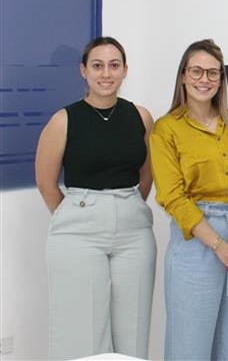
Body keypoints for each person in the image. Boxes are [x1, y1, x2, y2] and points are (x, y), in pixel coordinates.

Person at [35, 36, 156, 360]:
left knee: (133, 332)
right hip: (79, 233)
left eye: (114, 65)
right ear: (83, 70)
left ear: (125, 70)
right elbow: (46, 183)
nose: (106, 73)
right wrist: (82, 214)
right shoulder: (64, 120)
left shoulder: (140, 117)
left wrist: (126, 206)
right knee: (82, 335)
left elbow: (147, 174)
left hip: (134, 232)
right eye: (97, 65)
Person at [150, 39, 228, 360]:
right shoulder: (166, 129)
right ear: (183, 76)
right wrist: (218, 245)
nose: (205, 79)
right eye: (197, 71)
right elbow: (173, 197)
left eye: (213, 73)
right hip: (197, 244)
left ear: (221, 79)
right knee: (190, 347)